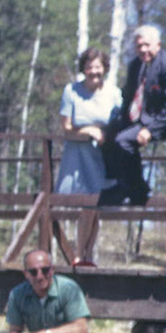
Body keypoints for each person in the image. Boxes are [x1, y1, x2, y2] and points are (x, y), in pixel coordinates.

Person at [104, 24, 166, 207]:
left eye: (147, 45)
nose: (142, 49)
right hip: (142, 117)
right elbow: (128, 95)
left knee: (124, 140)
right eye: (139, 46)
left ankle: (138, 190)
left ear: (157, 45)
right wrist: (119, 120)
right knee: (108, 134)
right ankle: (119, 183)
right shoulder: (136, 65)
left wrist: (149, 130)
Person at [57, 47, 118, 268]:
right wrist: (90, 131)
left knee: (96, 206)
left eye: (98, 67)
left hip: (103, 154)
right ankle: (78, 254)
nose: (94, 71)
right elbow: (66, 126)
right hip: (79, 154)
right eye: (90, 67)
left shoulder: (113, 93)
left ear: (104, 69)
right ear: (83, 68)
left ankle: (87, 254)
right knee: (86, 204)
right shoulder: (71, 91)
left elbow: (121, 122)